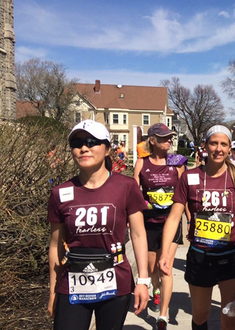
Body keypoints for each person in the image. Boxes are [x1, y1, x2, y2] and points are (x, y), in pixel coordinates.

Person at [47, 120, 149, 330]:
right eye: (77, 143)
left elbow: (138, 235)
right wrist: (53, 291)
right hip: (73, 283)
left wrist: (143, 281)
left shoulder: (126, 186)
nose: (84, 148)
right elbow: (55, 245)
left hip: (115, 282)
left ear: (108, 148)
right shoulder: (60, 193)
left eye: (92, 142)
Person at [159, 124, 235, 330]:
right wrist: (165, 253)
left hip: (231, 255)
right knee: (200, 314)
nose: (218, 149)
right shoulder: (189, 178)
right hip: (200, 256)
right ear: (204, 146)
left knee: (231, 317)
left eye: (224, 144)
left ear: (230, 148)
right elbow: (173, 217)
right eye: (214, 143)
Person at [133, 123, 188, 329]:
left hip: (171, 222)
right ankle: (155, 289)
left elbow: (186, 193)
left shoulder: (177, 163)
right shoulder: (142, 163)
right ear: (152, 140)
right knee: (152, 267)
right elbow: (134, 192)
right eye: (164, 138)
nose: (169, 141)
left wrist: (189, 218)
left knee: (166, 267)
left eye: (170, 137)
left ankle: (163, 315)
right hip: (149, 222)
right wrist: (144, 204)